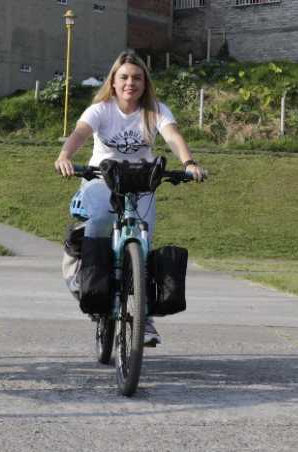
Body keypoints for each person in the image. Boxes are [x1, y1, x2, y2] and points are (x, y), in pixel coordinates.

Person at [54, 50, 205, 346]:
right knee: (96, 228)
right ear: (113, 81)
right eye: (123, 77)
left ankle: (144, 317)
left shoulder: (155, 110)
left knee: (143, 245)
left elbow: (172, 136)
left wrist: (188, 163)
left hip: (141, 183)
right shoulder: (101, 110)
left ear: (145, 83)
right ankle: (94, 287)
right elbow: (80, 133)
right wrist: (64, 156)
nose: (130, 83)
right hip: (101, 179)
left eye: (137, 78)